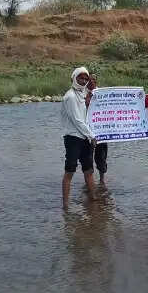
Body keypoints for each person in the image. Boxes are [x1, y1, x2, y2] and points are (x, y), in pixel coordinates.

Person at [61, 66, 98, 209]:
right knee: (69, 171)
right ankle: (65, 205)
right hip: (73, 138)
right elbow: (77, 120)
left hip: (85, 138)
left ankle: (93, 198)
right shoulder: (70, 96)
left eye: (85, 78)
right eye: (80, 78)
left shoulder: (84, 94)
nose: (83, 81)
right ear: (74, 78)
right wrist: (92, 136)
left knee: (88, 169)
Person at [84, 72, 108, 184]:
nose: (92, 81)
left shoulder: (102, 93)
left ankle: (102, 180)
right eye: (90, 79)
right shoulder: (81, 93)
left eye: (94, 79)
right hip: (86, 130)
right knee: (87, 156)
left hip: (100, 130)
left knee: (101, 156)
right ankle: (89, 181)